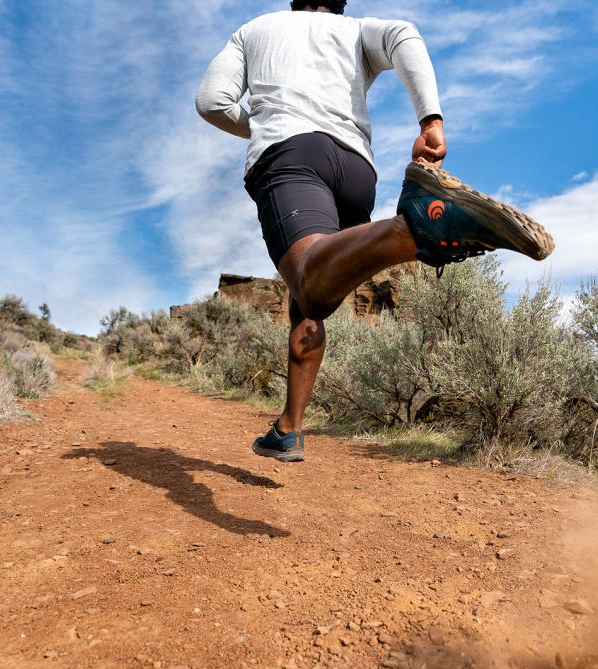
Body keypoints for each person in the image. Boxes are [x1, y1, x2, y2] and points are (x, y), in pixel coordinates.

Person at [197, 0, 553, 462]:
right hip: (356, 168)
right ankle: (288, 428)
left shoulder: (254, 30)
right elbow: (404, 34)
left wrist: (265, 124)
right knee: (310, 301)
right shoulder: (356, 30)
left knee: (309, 278)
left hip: (291, 155)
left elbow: (211, 102)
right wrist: (431, 120)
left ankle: (416, 228)